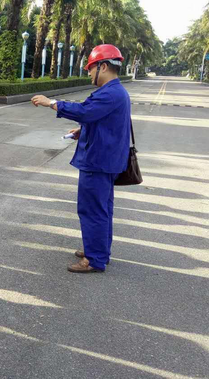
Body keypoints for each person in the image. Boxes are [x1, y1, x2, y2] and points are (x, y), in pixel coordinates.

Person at [31, 44, 131, 273]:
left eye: (90, 68)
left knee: (92, 210)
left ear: (103, 66)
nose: (89, 74)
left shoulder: (110, 93)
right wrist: (83, 130)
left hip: (98, 160)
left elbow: (85, 111)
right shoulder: (116, 91)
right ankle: (98, 251)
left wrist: (52, 103)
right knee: (101, 209)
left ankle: (94, 259)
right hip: (105, 159)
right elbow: (102, 120)